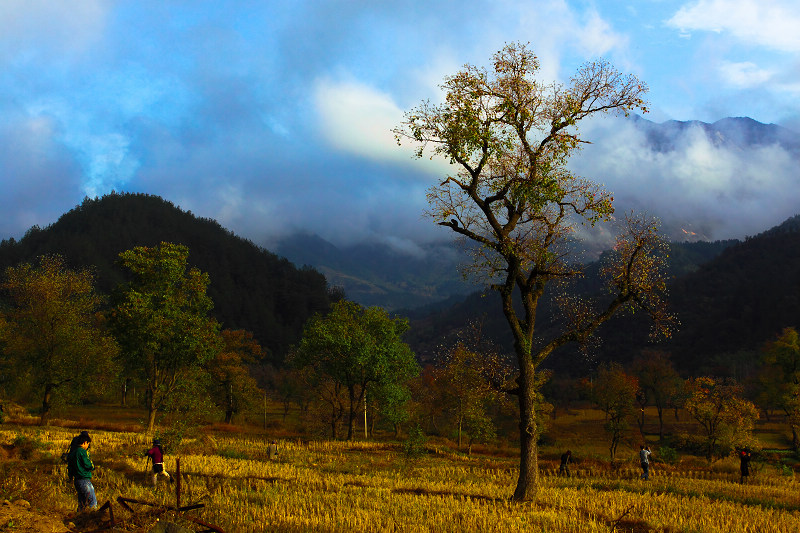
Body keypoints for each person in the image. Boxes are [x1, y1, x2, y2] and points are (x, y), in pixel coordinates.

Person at [67, 433, 97, 512]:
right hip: (84, 479)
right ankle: (92, 520)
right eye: (88, 444)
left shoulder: (72, 453)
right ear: (85, 442)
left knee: (82, 503)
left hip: (77, 480)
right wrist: (92, 466)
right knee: (92, 502)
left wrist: (70, 477)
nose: (88, 446)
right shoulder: (82, 452)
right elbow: (88, 465)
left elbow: (69, 467)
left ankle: (79, 519)